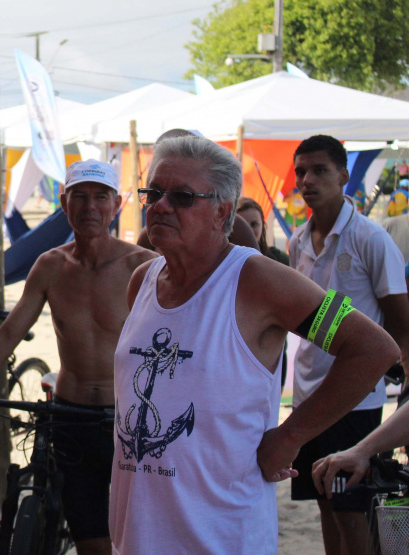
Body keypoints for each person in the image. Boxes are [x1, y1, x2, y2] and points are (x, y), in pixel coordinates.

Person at [108, 135, 398, 553]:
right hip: (136, 537)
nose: (160, 206)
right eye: (153, 192)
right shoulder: (143, 282)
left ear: (221, 212)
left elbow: (373, 348)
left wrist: (289, 437)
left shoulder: (259, 281)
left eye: (182, 196)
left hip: (222, 538)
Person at [0, 159, 157, 555]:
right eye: (79, 197)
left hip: (132, 422)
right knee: (90, 538)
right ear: (63, 203)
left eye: (101, 197)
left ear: (117, 204)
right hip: (71, 416)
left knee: (139, 535)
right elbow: (8, 335)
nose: (89, 208)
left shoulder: (143, 267)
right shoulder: (50, 265)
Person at [287, 134, 409, 554]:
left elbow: (400, 320)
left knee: (350, 508)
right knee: (324, 500)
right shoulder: (297, 241)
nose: (307, 179)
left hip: (354, 398)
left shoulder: (370, 238)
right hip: (306, 393)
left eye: (319, 170)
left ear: (343, 175)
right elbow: (303, 318)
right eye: (301, 171)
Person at [237, 197, 289, 265]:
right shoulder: (223, 262)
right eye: (243, 225)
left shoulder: (279, 260)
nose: (249, 230)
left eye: (254, 224)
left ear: (263, 226)